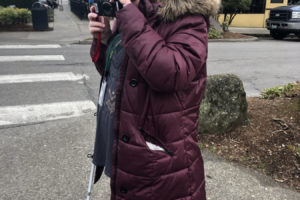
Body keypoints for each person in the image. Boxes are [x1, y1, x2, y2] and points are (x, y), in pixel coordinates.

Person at [88, 0, 220, 199]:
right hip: (130, 150)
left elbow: (170, 72)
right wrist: (106, 38)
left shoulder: (189, 17)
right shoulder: (134, 12)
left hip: (164, 162)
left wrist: (129, 15)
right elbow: (119, 76)